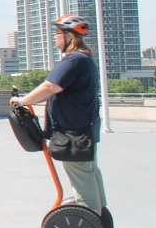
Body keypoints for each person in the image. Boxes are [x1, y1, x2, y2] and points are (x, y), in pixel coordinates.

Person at [10, 14, 109, 216]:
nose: (55, 38)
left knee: (82, 176)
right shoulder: (85, 60)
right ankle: (98, 216)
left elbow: (50, 86)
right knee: (88, 173)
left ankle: (90, 220)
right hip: (82, 130)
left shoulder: (74, 60)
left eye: (57, 33)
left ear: (68, 36)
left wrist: (23, 101)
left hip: (74, 133)